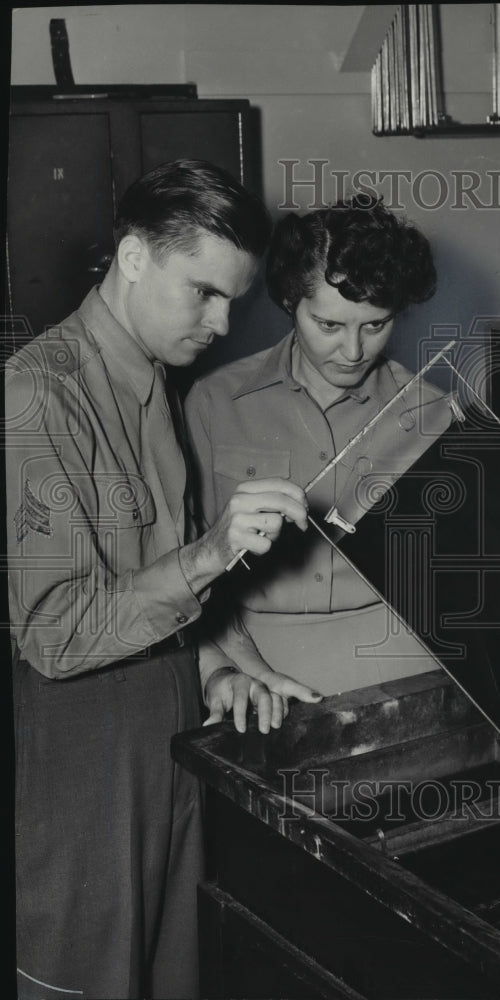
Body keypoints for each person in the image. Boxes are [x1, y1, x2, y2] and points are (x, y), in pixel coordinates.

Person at [5, 159, 322, 1000]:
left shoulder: (152, 381)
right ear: (134, 256)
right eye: (204, 293)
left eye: (235, 300)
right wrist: (212, 554)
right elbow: (55, 633)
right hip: (81, 774)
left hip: (167, 749)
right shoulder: (39, 395)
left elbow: (156, 581)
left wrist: (221, 662)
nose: (221, 323)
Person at [184, 195, 500, 696]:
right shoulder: (214, 402)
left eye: (375, 325)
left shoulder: (435, 413)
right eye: (329, 325)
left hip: (409, 675)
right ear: (289, 302)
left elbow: (491, 580)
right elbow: (186, 570)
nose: (352, 352)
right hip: (256, 676)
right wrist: (223, 672)